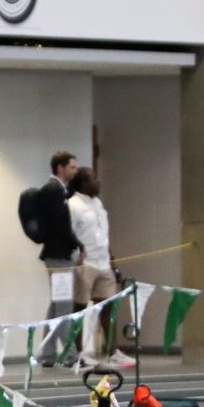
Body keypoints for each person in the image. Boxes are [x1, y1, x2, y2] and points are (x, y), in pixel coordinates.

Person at [67, 167, 135, 369]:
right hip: (85, 264)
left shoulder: (98, 204)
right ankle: (78, 354)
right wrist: (75, 259)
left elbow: (103, 236)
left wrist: (112, 260)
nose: (98, 182)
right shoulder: (72, 204)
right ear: (83, 183)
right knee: (79, 309)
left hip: (103, 262)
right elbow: (69, 234)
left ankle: (112, 351)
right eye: (94, 179)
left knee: (109, 307)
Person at [35, 150, 84, 367]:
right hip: (58, 255)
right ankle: (70, 355)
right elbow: (60, 226)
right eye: (72, 167)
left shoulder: (59, 190)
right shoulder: (53, 190)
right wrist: (78, 244)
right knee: (64, 307)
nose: (75, 170)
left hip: (58, 254)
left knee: (56, 306)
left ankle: (47, 354)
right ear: (60, 168)